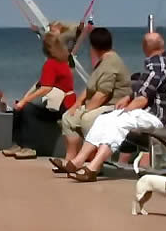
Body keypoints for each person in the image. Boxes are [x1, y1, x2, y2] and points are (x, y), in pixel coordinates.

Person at [60, 33, 166, 182]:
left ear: (145, 47)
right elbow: (145, 89)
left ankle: (93, 167)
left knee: (118, 121)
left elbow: (142, 99)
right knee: (103, 119)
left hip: (157, 117)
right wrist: (128, 98)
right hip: (151, 113)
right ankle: (79, 160)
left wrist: (126, 109)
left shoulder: (156, 66)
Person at [52, 27, 131, 172]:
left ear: (94, 46)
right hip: (101, 104)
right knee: (68, 118)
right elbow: (90, 89)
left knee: (87, 119)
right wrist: (77, 104)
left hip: (114, 106)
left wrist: (86, 110)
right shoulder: (103, 61)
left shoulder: (111, 62)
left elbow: (103, 94)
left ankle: (95, 164)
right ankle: (70, 159)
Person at [5, 31, 77, 159]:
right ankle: (17, 145)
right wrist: (23, 100)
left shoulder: (51, 64)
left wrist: (25, 101)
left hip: (62, 107)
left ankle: (29, 147)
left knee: (27, 109)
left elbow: (45, 88)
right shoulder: (62, 61)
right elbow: (41, 84)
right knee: (21, 108)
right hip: (64, 104)